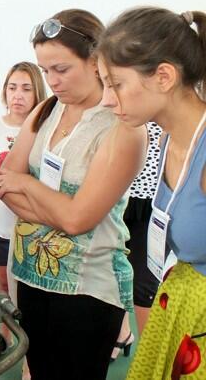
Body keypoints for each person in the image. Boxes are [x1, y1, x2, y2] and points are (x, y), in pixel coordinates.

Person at [0, 9, 147, 380]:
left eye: (61, 69)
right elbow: (2, 180)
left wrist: (28, 186)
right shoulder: (46, 110)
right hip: (28, 275)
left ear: (95, 61)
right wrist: (62, 208)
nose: (52, 81)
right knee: (38, 369)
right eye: (45, 71)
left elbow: (78, 219)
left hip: (87, 288)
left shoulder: (122, 126)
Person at [96, 6, 206, 379]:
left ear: (163, 76)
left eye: (116, 84)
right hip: (183, 308)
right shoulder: (166, 143)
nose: (108, 99)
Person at [0, 61, 46, 297]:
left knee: (32, 292)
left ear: (37, 93)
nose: (18, 95)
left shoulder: (47, 130)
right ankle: (6, 334)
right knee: (4, 288)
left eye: (26, 88)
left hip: (36, 228)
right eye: (12, 87)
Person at [112, 121, 162, 361]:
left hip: (152, 203)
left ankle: (150, 361)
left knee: (143, 285)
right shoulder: (123, 101)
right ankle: (122, 334)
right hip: (117, 196)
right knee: (114, 272)